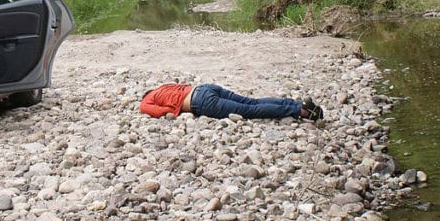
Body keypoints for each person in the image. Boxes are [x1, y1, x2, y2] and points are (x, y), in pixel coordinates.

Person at [139, 82, 324, 122]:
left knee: (248, 111)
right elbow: (184, 85)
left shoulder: (147, 100)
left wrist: (170, 112)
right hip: (205, 88)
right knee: (252, 101)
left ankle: (305, 112)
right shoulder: (163, 87)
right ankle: (297, 104)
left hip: (200, 101)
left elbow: (159, 112)